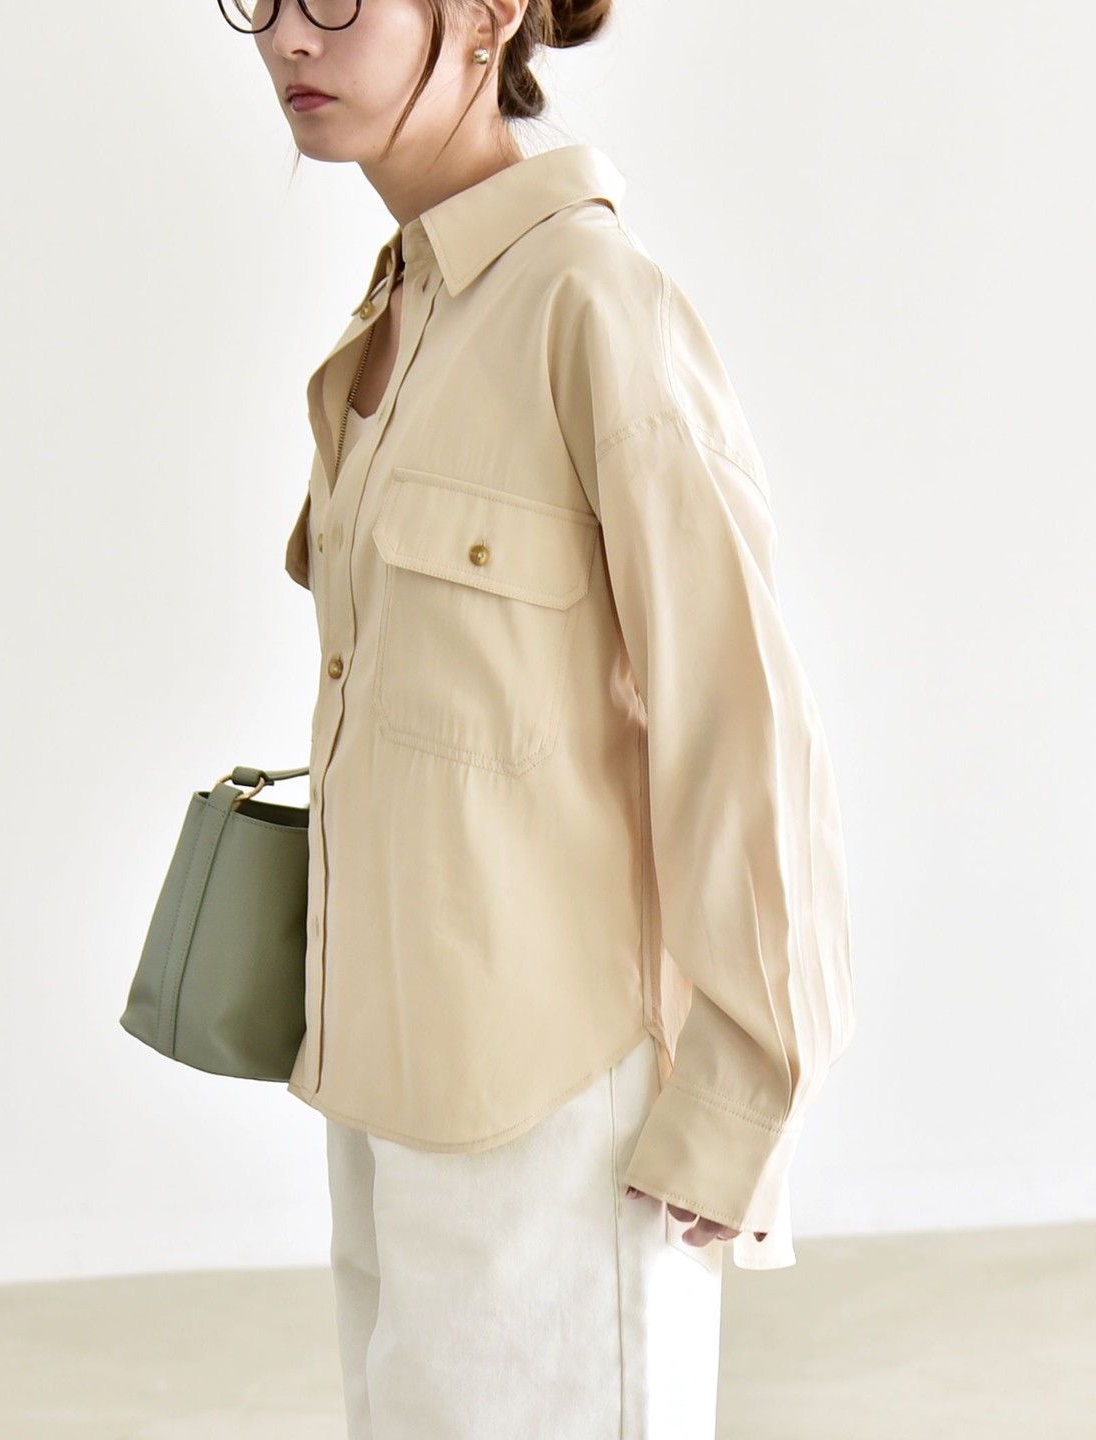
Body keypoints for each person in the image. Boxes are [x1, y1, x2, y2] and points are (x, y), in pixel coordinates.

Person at [224, 0, 857, 1434]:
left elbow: (740, 715)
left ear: (490, 11)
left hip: (563, 1116)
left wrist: (745, 1097)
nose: (288, 38)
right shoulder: (404, 308)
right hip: (386, 1082)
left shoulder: (592, 302)